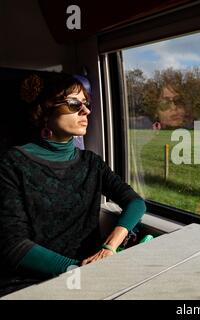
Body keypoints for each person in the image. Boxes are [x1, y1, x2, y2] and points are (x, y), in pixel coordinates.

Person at [0, 72, 147, 297]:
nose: (86, 111)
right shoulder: (12, 163)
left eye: (86, 104)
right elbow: (13, 245)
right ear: (45, 110)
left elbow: (135, 203)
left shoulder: (92, 163)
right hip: (31, 280)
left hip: (89, 272)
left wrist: (110, 246)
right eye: (73, 103)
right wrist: (77, 269)